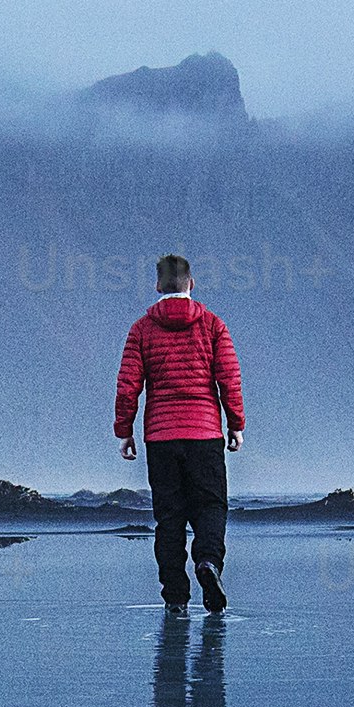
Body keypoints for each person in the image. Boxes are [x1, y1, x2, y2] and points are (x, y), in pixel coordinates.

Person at [111, 252, 244, 613]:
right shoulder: (213, 325)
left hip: (161, 437)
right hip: (204, 433)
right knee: (212, 506)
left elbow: (127, 387)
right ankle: (208, 562)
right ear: (191, 284)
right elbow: (229, 379)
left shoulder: (141, 329)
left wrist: (124, 431)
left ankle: (175, 598)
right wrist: (235, 425)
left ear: (158, 286)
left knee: (169, 518)